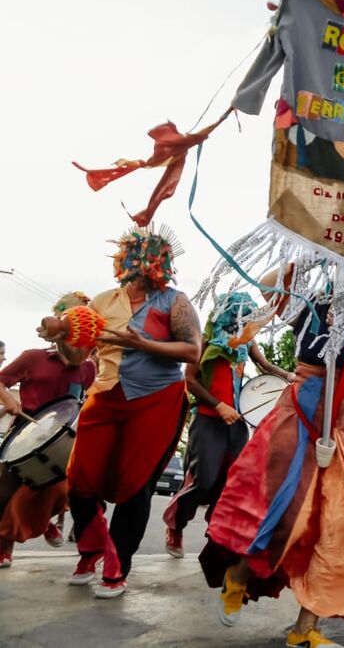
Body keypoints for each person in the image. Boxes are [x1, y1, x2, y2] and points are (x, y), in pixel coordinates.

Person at [200, 288, 344, 648]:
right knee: (279, 508)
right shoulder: (311, 299)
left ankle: (305, 629)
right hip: (302, 411)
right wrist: (304, 249)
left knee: (339, 525)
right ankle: (237, 577)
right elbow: (270, 286)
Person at [66, 227, 201, 599]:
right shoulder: (102, 301)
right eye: (136, 256)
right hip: (106, 395)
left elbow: (193, 352)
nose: (142, 264)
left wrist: (145, 343)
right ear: (122, 260)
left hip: (156, 399)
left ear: (162, 265)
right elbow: (77, 357)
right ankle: (91, 549)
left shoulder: (175, 301)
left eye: (151, 258)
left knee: (136, 485)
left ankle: (117, 565)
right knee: (78, 480)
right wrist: (62, 336)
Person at [162, 292, 294, 558]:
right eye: (243, 314)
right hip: (208, 419)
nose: (246, 320)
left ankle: (217, 537)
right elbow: (190, 380)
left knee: (231, 484)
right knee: (205, 479)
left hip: (236, 423)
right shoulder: (204, 339)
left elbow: (265, 364)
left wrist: (291, 375)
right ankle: (176, 524)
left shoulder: (246, 341)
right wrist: (219, 406)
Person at [0, 293, 98, 568]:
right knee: (6, 491)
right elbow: (1, 381)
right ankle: (4, 548)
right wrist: (10, 401)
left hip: (61, 439)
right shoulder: (32, 358)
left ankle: (46, 523)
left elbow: (83, 401)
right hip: (25, 430)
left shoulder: (88, 369)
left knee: (60, 490)